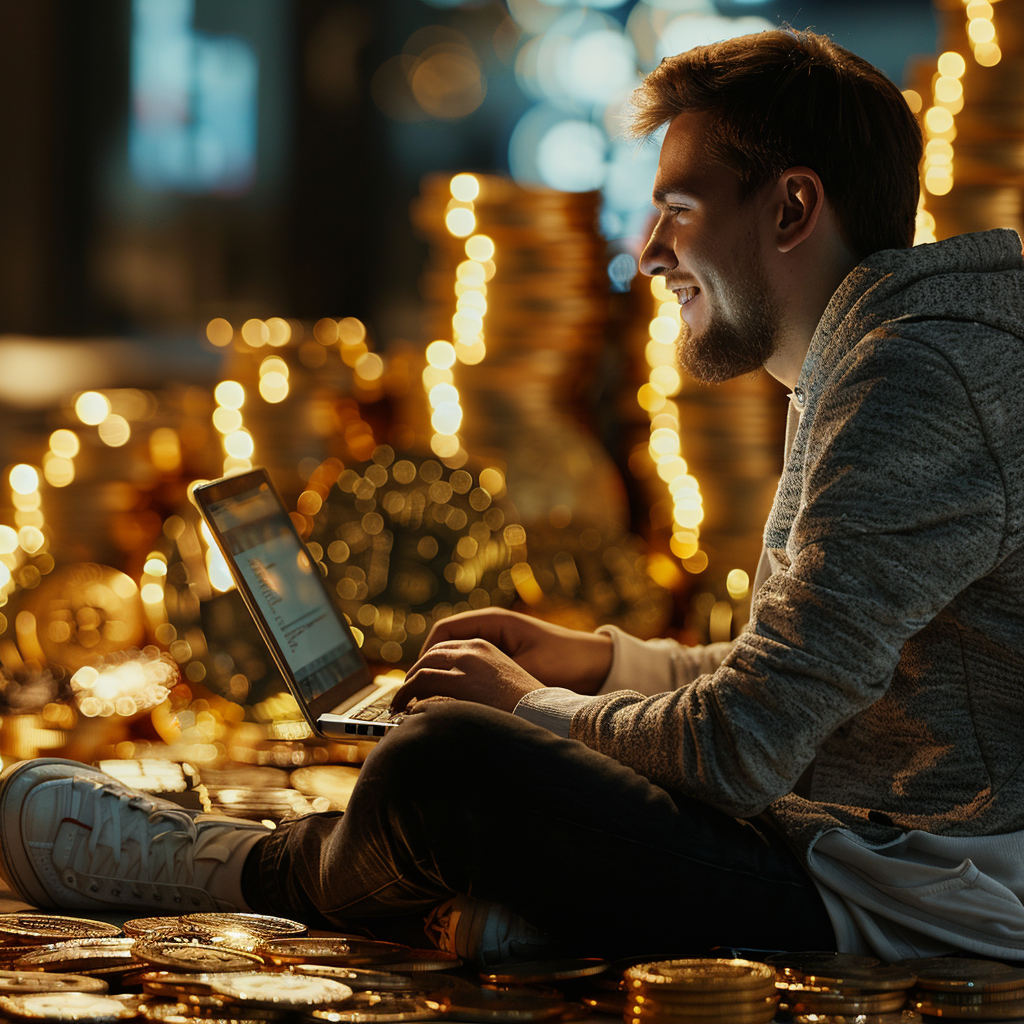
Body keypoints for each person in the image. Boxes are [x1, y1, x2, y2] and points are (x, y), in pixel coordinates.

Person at [2, 27, 1023, 966]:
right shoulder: (892, 353)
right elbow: (819, 676)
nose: (647, 254)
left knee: (446, 763)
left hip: (911, 896)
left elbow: (742, 747)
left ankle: (245, 868)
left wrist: (534, 710)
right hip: (861, 844)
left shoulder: (911, 385)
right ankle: (510, 914)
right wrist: (599, 660)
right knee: (482, 754)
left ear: (792, 208)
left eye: (676, 209)